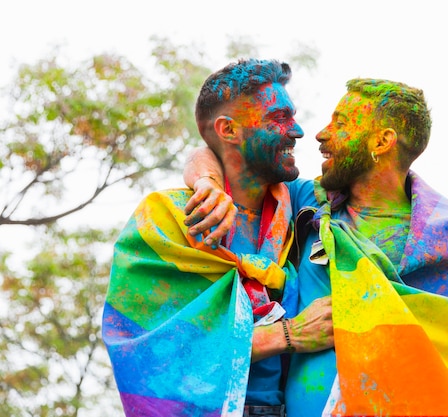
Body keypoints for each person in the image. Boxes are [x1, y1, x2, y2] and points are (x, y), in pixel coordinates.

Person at [183, 78, 448, 417]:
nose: (320, 135)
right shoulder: (306, 205)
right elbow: (214, 151)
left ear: (383, 140)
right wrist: (207, 184)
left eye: (338, 123)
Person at [102, 58, 334, 417]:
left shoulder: (302, 207)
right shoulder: (165, 218)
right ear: (228, 130)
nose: (298, 130)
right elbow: (145, 357)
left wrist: (205, 175)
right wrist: (286, 336)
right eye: (279, 118)